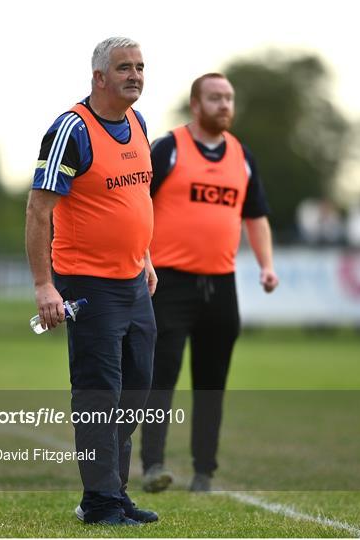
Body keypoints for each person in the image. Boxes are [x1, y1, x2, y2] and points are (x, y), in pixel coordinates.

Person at [25, 37, 158, 526]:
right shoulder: (71, 130)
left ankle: (113, 492)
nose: (136, 75)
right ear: (99, 77)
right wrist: (45, 286)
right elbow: (40, 210)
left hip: (133, 283)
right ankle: (100, 502)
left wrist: (143, 256)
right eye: (124, 67)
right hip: (87, 284)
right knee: (99, 392)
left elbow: (134, 200)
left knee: (140, 388)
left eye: (141, 67)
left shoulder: (140, 124)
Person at [140, 73, 279, 492]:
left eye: (229, 98)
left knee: (211, 381)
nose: (224, 105)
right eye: (215, 98)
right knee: (161, 376)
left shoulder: (242, 156)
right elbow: (135, 204)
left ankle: (204, 471)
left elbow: (255, 216)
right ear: (196, 105)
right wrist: (142, 257)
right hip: (168, 284)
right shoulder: (168, 149)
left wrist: (266, 264)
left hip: (220, 285)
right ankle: (153, 465)